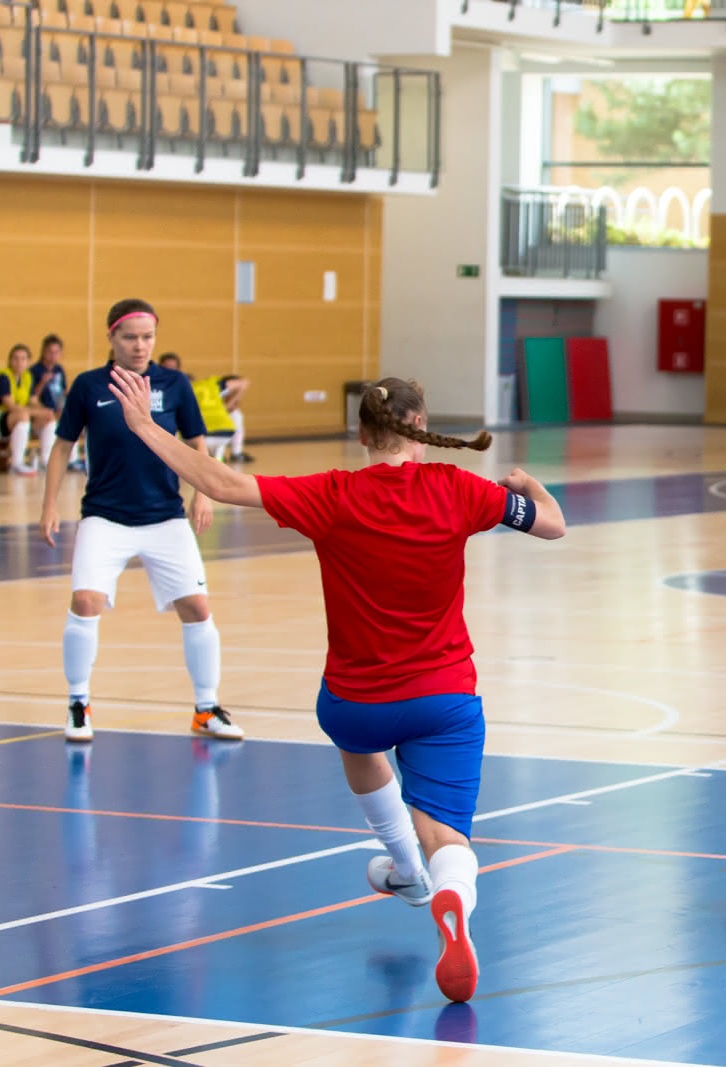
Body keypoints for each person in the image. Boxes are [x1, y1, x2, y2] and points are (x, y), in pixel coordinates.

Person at [106, 365, 566, 1003]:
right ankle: (446, 896)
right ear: (421, 429)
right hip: (444, 698)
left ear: (361, 434)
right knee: (449, 838)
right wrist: (526, 482)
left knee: (358, 736)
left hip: (357, 704)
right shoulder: (460, 488)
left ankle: (405, 871)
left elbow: (222, 482)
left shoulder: (333, 494)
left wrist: (143, 426)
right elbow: (552, 523)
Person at [38, 299, 244, 744]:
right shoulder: (89, 385)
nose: (139, 345)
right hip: (105, 517)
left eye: (147, 337)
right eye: (129, 337)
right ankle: (78, 703)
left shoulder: (174, 385)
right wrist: (49, 504)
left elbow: (196, 442)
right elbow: (62, 446)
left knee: (197, 607)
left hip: (165, 518)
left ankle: (206, 709)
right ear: (111, 338)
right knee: (86, 601)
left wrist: (202, 493)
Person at [0, 343, 57, 475]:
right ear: (9, 361)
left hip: (7, 420)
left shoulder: (27, 378)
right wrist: (37, 412)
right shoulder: (3, 377)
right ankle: (16, 464)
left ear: (28, 361)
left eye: (23, 358)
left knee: (49, 417)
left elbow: (32, 402)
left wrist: (45, 412)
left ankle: (45, 461)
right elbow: (12, 407)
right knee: (22, 416)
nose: (19, 362)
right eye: (15, 358)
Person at [157, 353, 239, 461]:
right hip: (224, 433)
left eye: (173, 368)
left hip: (204, 434)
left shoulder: (182, 387)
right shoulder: (209, 384)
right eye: (166, 367)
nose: (170, 370)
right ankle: (229, 454)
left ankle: (225, 456)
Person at [29, 334, 83, 473]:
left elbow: (63, 391)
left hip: (59, 408)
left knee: (73, 418)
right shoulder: (35, 371)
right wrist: (42, 382)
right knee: (53, 419)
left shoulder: (59, 370)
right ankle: (46, 460)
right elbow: (32, 398)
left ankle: (73, 460)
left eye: (56, 352)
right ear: (43, 352)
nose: (53, 355)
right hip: (42, 411)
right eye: (50, 352)